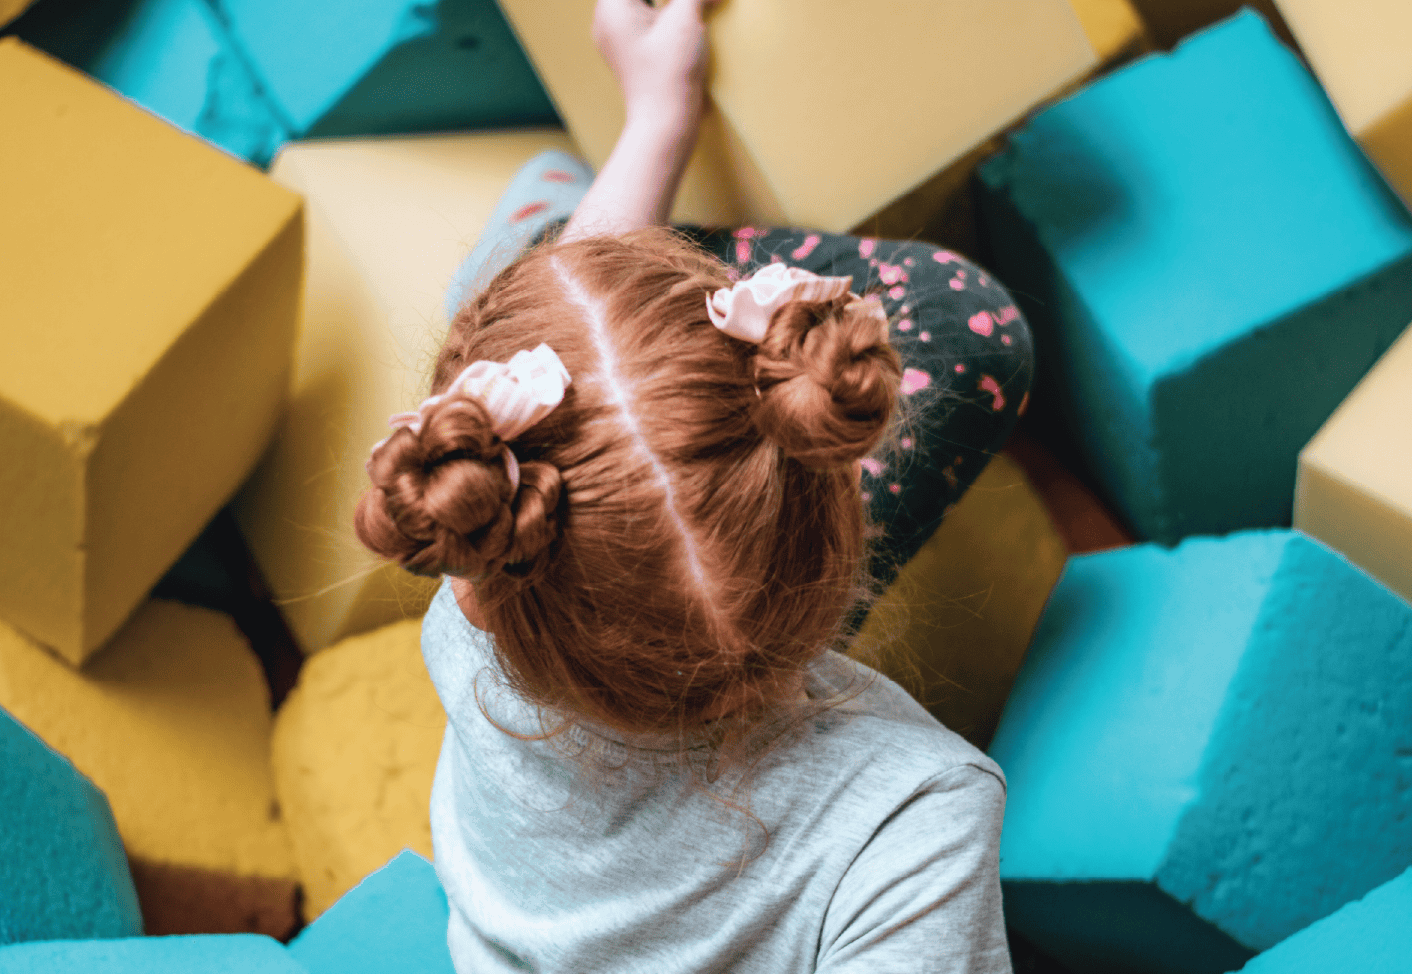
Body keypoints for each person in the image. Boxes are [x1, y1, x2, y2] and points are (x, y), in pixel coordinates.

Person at [353, 0, 1033, 969]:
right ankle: (543, 242)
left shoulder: (472, 601)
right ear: (841, 538)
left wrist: (655, 119)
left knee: (538, 293)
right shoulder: (914, 822)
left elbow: (578, 416)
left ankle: (540, 241)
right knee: (974, 329)